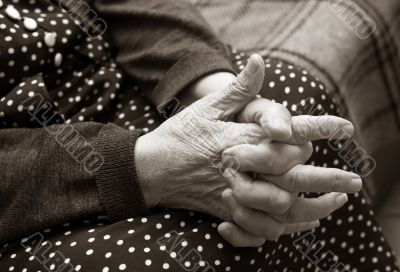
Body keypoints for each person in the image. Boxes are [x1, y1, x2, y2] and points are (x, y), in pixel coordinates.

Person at [0, 0, 398, 271]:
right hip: (32, 185)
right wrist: (139, 167)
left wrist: (224, 96)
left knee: (286, 109)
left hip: (111, 84)